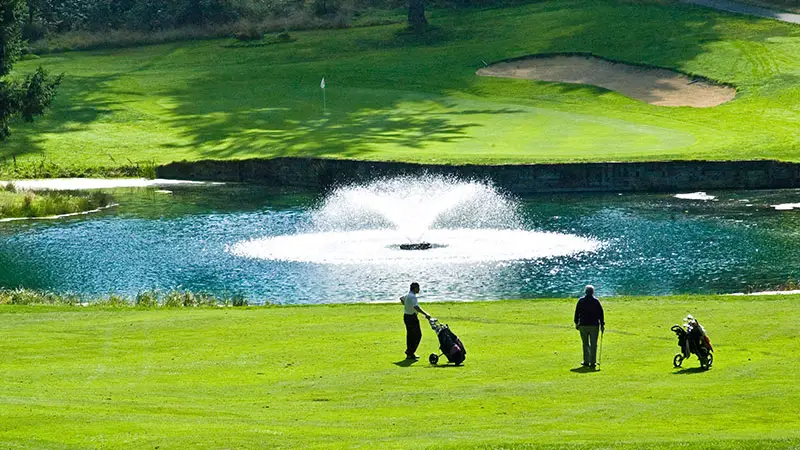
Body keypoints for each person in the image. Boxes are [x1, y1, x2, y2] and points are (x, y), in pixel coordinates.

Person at [574, 284, 605, 367]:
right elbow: (601, 314)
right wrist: (602, 324)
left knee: (585, 344)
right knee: (593, 344)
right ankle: (593, 362)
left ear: (585, 292)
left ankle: (586, 361)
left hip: (583, 325)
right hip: (594, 325)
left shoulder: (581, 301)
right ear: (593, 292)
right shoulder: (596, 301)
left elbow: (577, 313)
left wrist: (576, 323)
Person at [400, 282, 431, 360]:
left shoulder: (407, 295)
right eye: (418, 288)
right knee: (418, 335)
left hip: (406, 316)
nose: (419, 290)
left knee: (410, 335)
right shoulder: (413, 297)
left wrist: (406, 305)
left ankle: (409, 353)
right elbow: (416, 307)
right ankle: (410, 352)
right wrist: (425, 314)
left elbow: (401, 299)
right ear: (415, 288)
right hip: (412, 317)